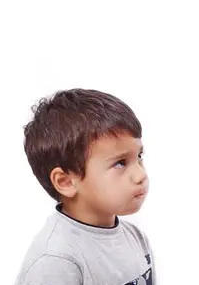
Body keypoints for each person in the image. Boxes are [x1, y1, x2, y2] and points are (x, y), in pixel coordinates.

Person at [14, 89, 155, 285]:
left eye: (139, 156)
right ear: (66, 181)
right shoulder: (56, 262)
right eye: (120, 163)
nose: (140, 174)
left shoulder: (135, 237)